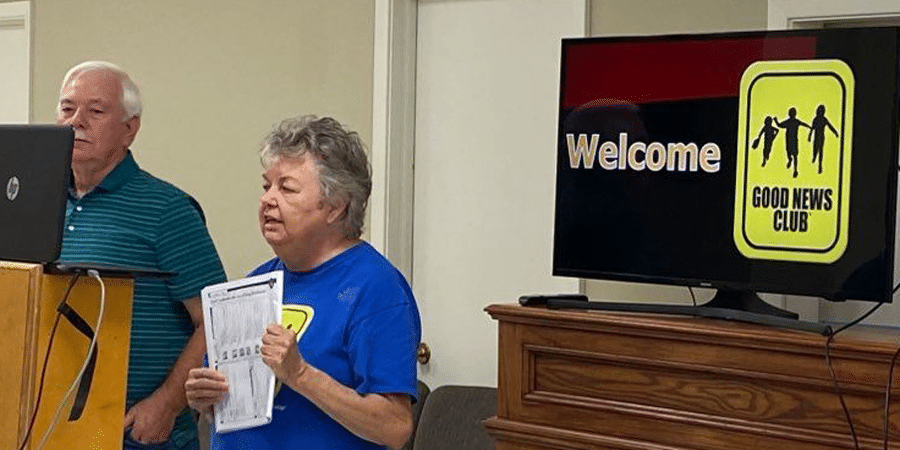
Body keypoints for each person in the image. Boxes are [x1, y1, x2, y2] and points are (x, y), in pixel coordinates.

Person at [185, 115, 421, 450]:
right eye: (266, 186)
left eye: (287, 188)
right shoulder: (256, 281)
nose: (267, 199)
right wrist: (207, 398)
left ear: (335, 207)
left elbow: (394, 428)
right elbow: (233, 401)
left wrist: (300, 375)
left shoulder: (375, 288)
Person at [55, 61, 227, 450]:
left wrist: (167, 403)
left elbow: (217, 319)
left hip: (135, 434)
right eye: (67, 108)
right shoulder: (37, 202)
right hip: (48, 427)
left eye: (95, 111)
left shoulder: (167, 209)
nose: (76, 121)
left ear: (129, 129)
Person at [808, 104, 839, 174]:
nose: (819, 112)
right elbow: (812, 128)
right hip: (816, 136)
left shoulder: (824, 119)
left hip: (821, 137)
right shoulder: (815, 119)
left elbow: (830, 126)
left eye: (820, 111)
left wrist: (835, 132)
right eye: (818, 111)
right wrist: (809, 136)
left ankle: (820, 165)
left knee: (821, 151)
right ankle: (814, 157)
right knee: (815, 148)